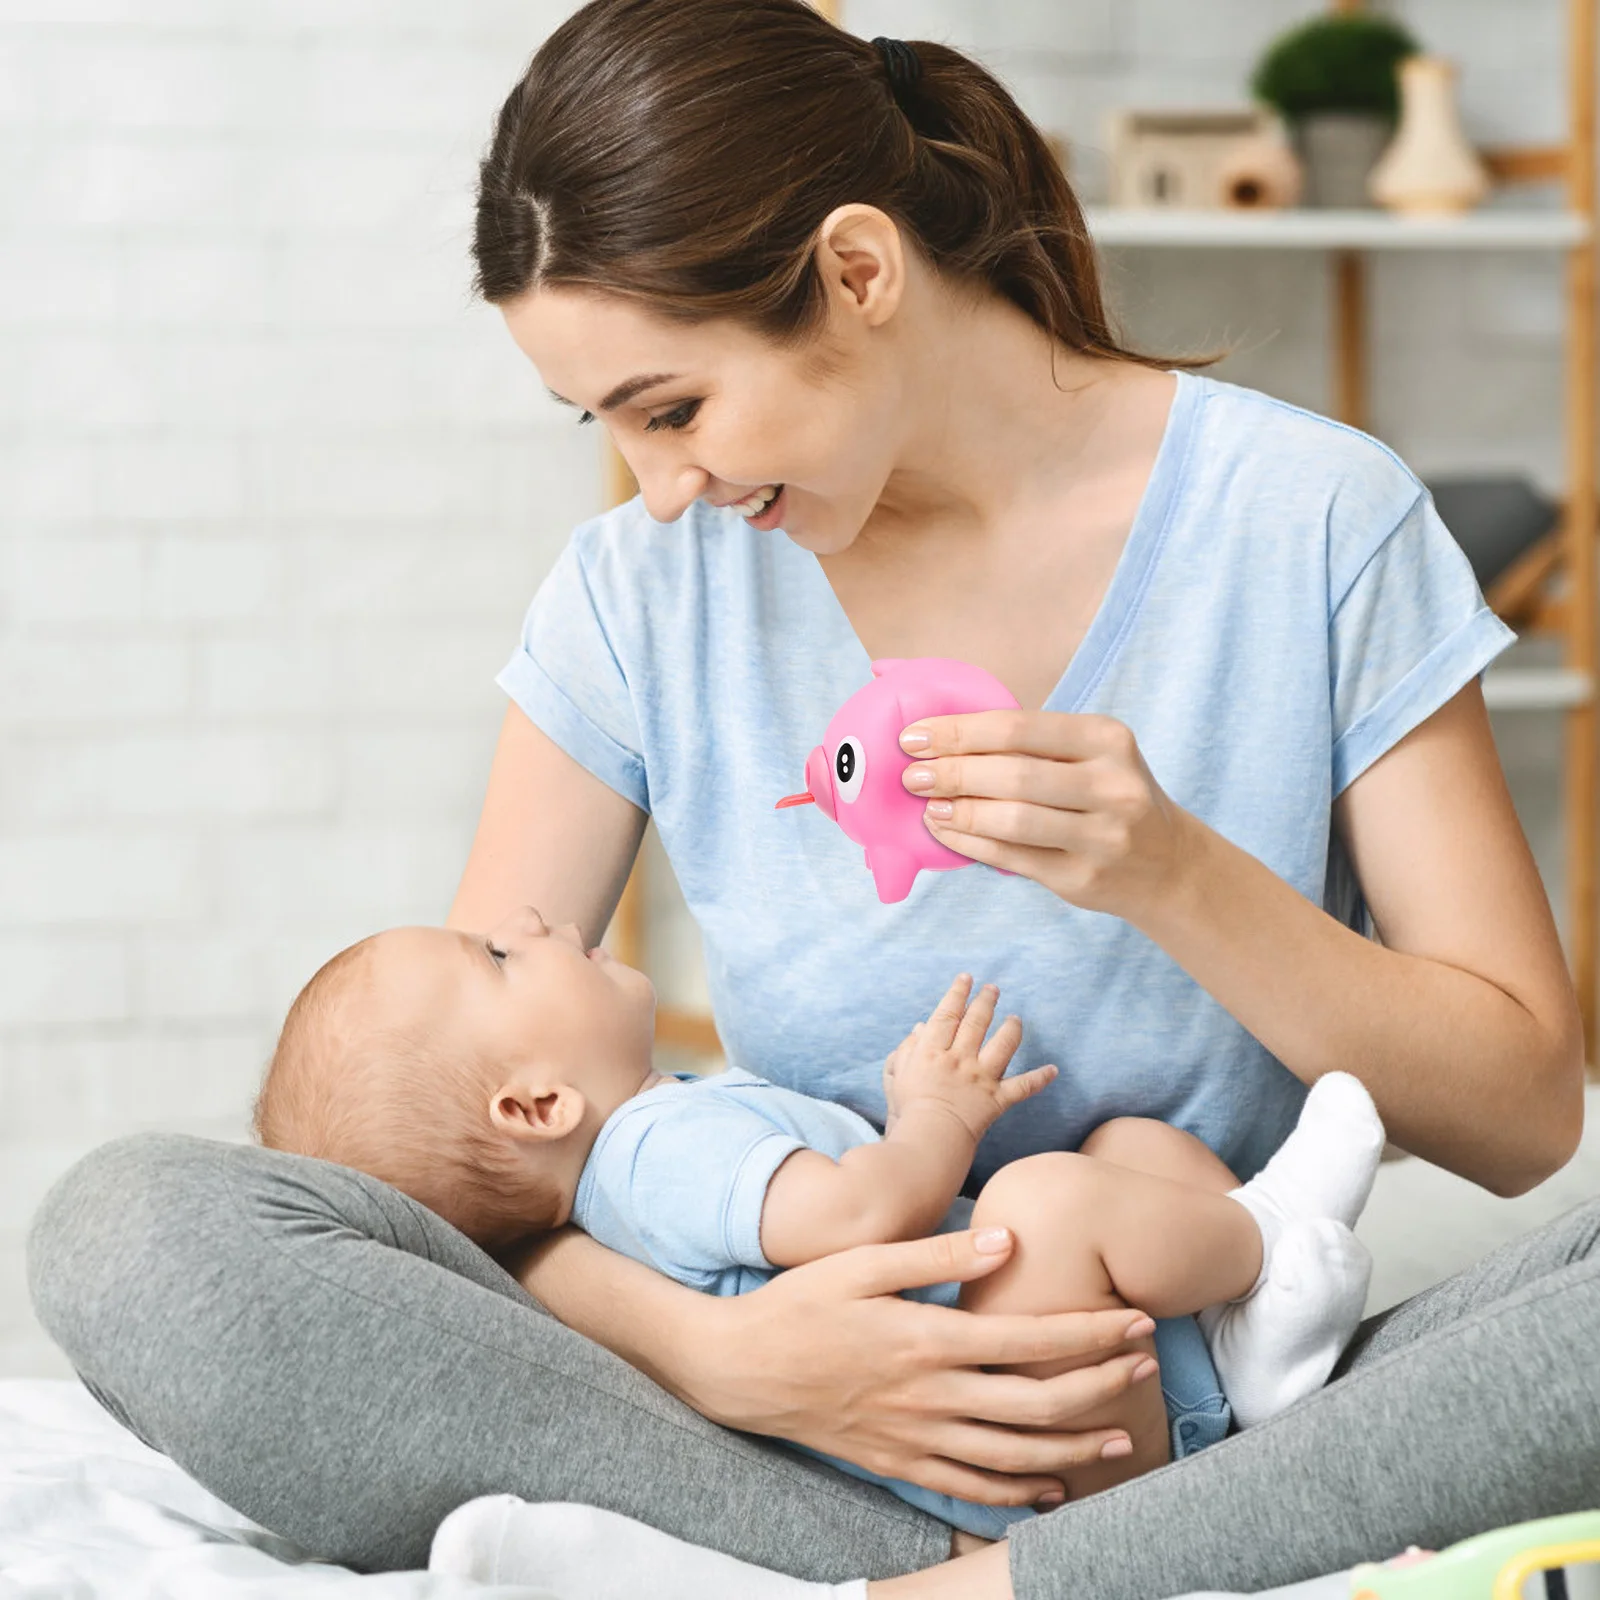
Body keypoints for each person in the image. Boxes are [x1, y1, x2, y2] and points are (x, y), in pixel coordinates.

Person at [25, 1, 1592, 1596]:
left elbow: (1529, 1114)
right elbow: (458, 1159)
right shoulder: (641, 594)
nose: (658, 488)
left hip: (1211, 1415)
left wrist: (1177, 877)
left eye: (674, 408)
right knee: (134, 1230)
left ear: (859, 272)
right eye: (609, 426)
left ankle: (1014, 1583)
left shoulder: (1313, 520)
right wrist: (724, 1357)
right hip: (798, 1455)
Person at [250, 913, 1385, 1536]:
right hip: (1037, 1413)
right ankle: (1270, 1249)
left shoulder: (656, 1143)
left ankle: (1246, 1356)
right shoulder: (654, 1156)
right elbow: (859, 1210)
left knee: (1123, 1155)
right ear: (538, 1105)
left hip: (1063, 1402)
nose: (532, 921)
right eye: (497, 957)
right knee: (1046, 1198)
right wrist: (932, 1115)